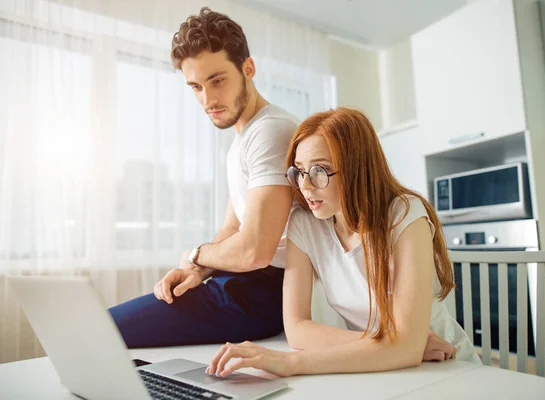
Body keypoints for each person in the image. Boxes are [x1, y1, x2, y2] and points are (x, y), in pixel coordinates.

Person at [109, 8, 456, 359]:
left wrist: (194, 253)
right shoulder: (246, 146)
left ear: (248, 68)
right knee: (121, 336)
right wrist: (195, 270)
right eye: (196, 87)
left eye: (217, 80)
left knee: (109, 328)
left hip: (257, 288)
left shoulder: (270, 131)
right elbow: (233, 226)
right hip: (244, 282)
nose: (207, 99)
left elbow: (254, 249)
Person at [205, 108, 481, 378]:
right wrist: (388, 344)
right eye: (299, 171)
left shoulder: (405, 215)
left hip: (447, 367)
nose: (305, 186)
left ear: (356, 168)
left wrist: (292, 363)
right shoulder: (305, 224)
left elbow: (407, 349)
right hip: (377, 367)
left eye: (320, 171)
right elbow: (298, 329)